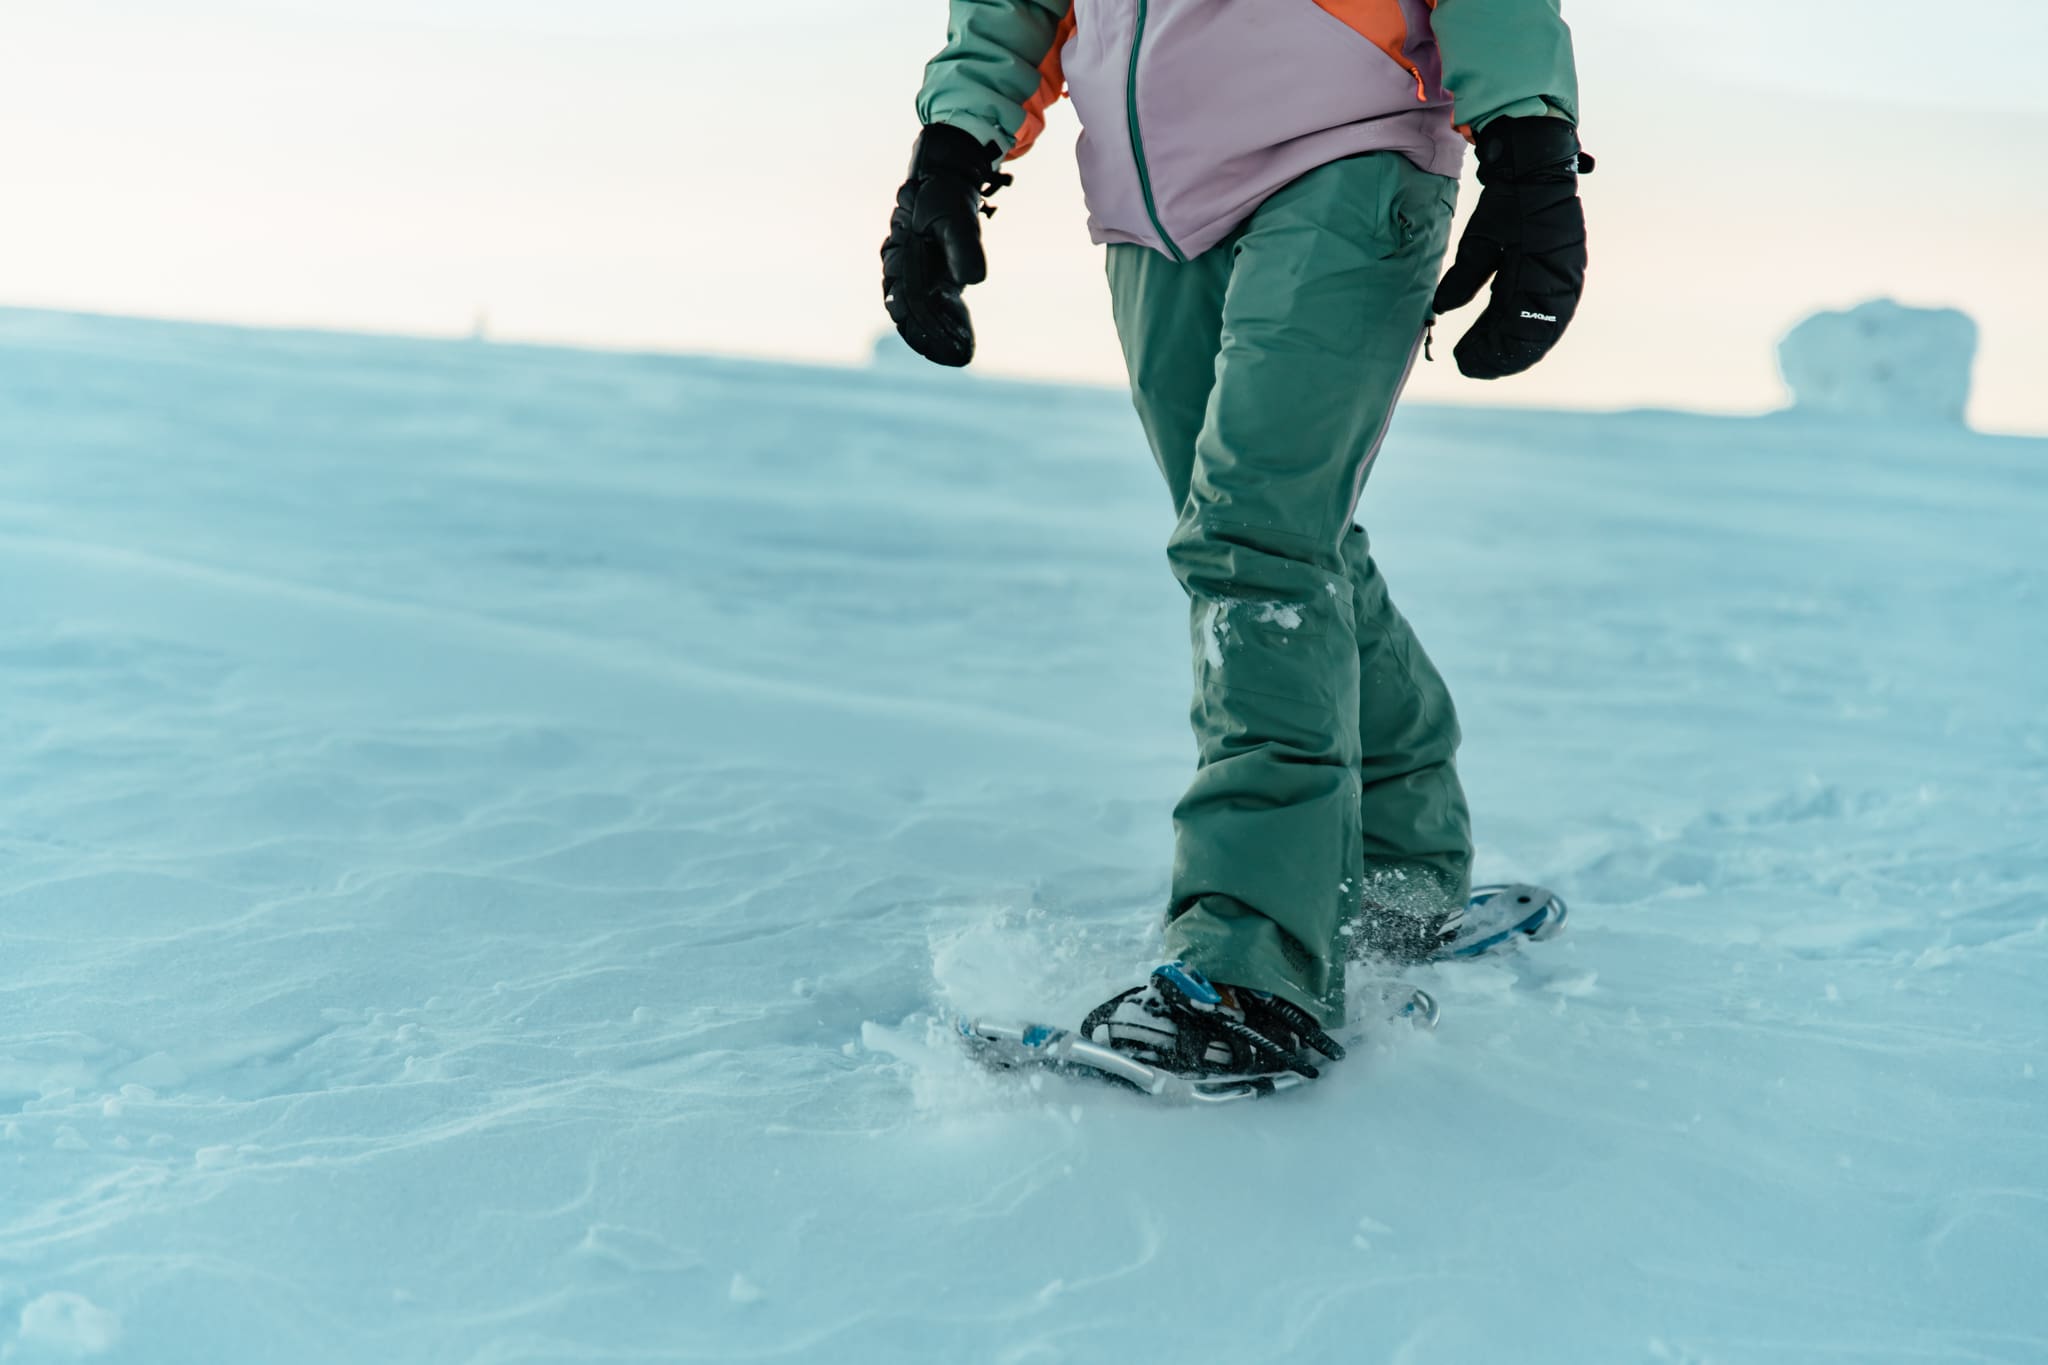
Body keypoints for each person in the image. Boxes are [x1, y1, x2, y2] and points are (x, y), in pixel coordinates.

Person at [883, 0, 1588, 1087]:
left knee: (1252, 539)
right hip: (1147, 200)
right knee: (1283, 538)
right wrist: (947, 150)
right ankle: (1400, 865)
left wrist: (1527, 145)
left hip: (1345, 149)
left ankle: (1250, 965)